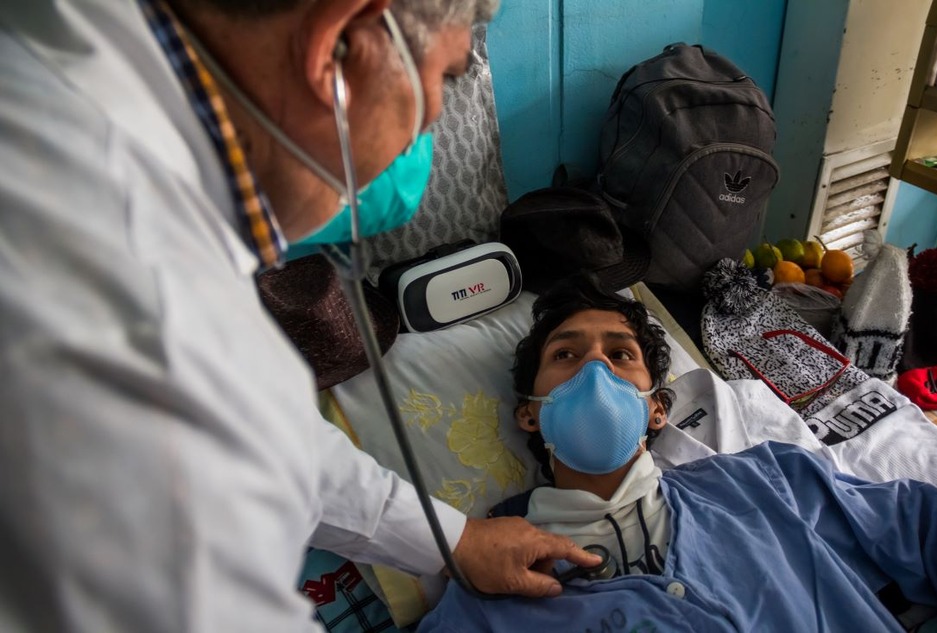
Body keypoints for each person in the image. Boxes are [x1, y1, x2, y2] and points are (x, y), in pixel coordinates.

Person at [0, 1, 600, 631]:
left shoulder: (75, 74)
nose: (430, 124)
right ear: (337, 45)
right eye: (445, 79)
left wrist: (451, 539)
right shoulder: (130, 290)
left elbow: (257, 416)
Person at [418, 275, 937, 632]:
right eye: (566, 354)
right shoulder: (483, 592)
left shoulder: (769, 480)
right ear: (529, 413)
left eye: (620, 354)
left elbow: (921, 528)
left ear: (656, 410)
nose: (594, 369)